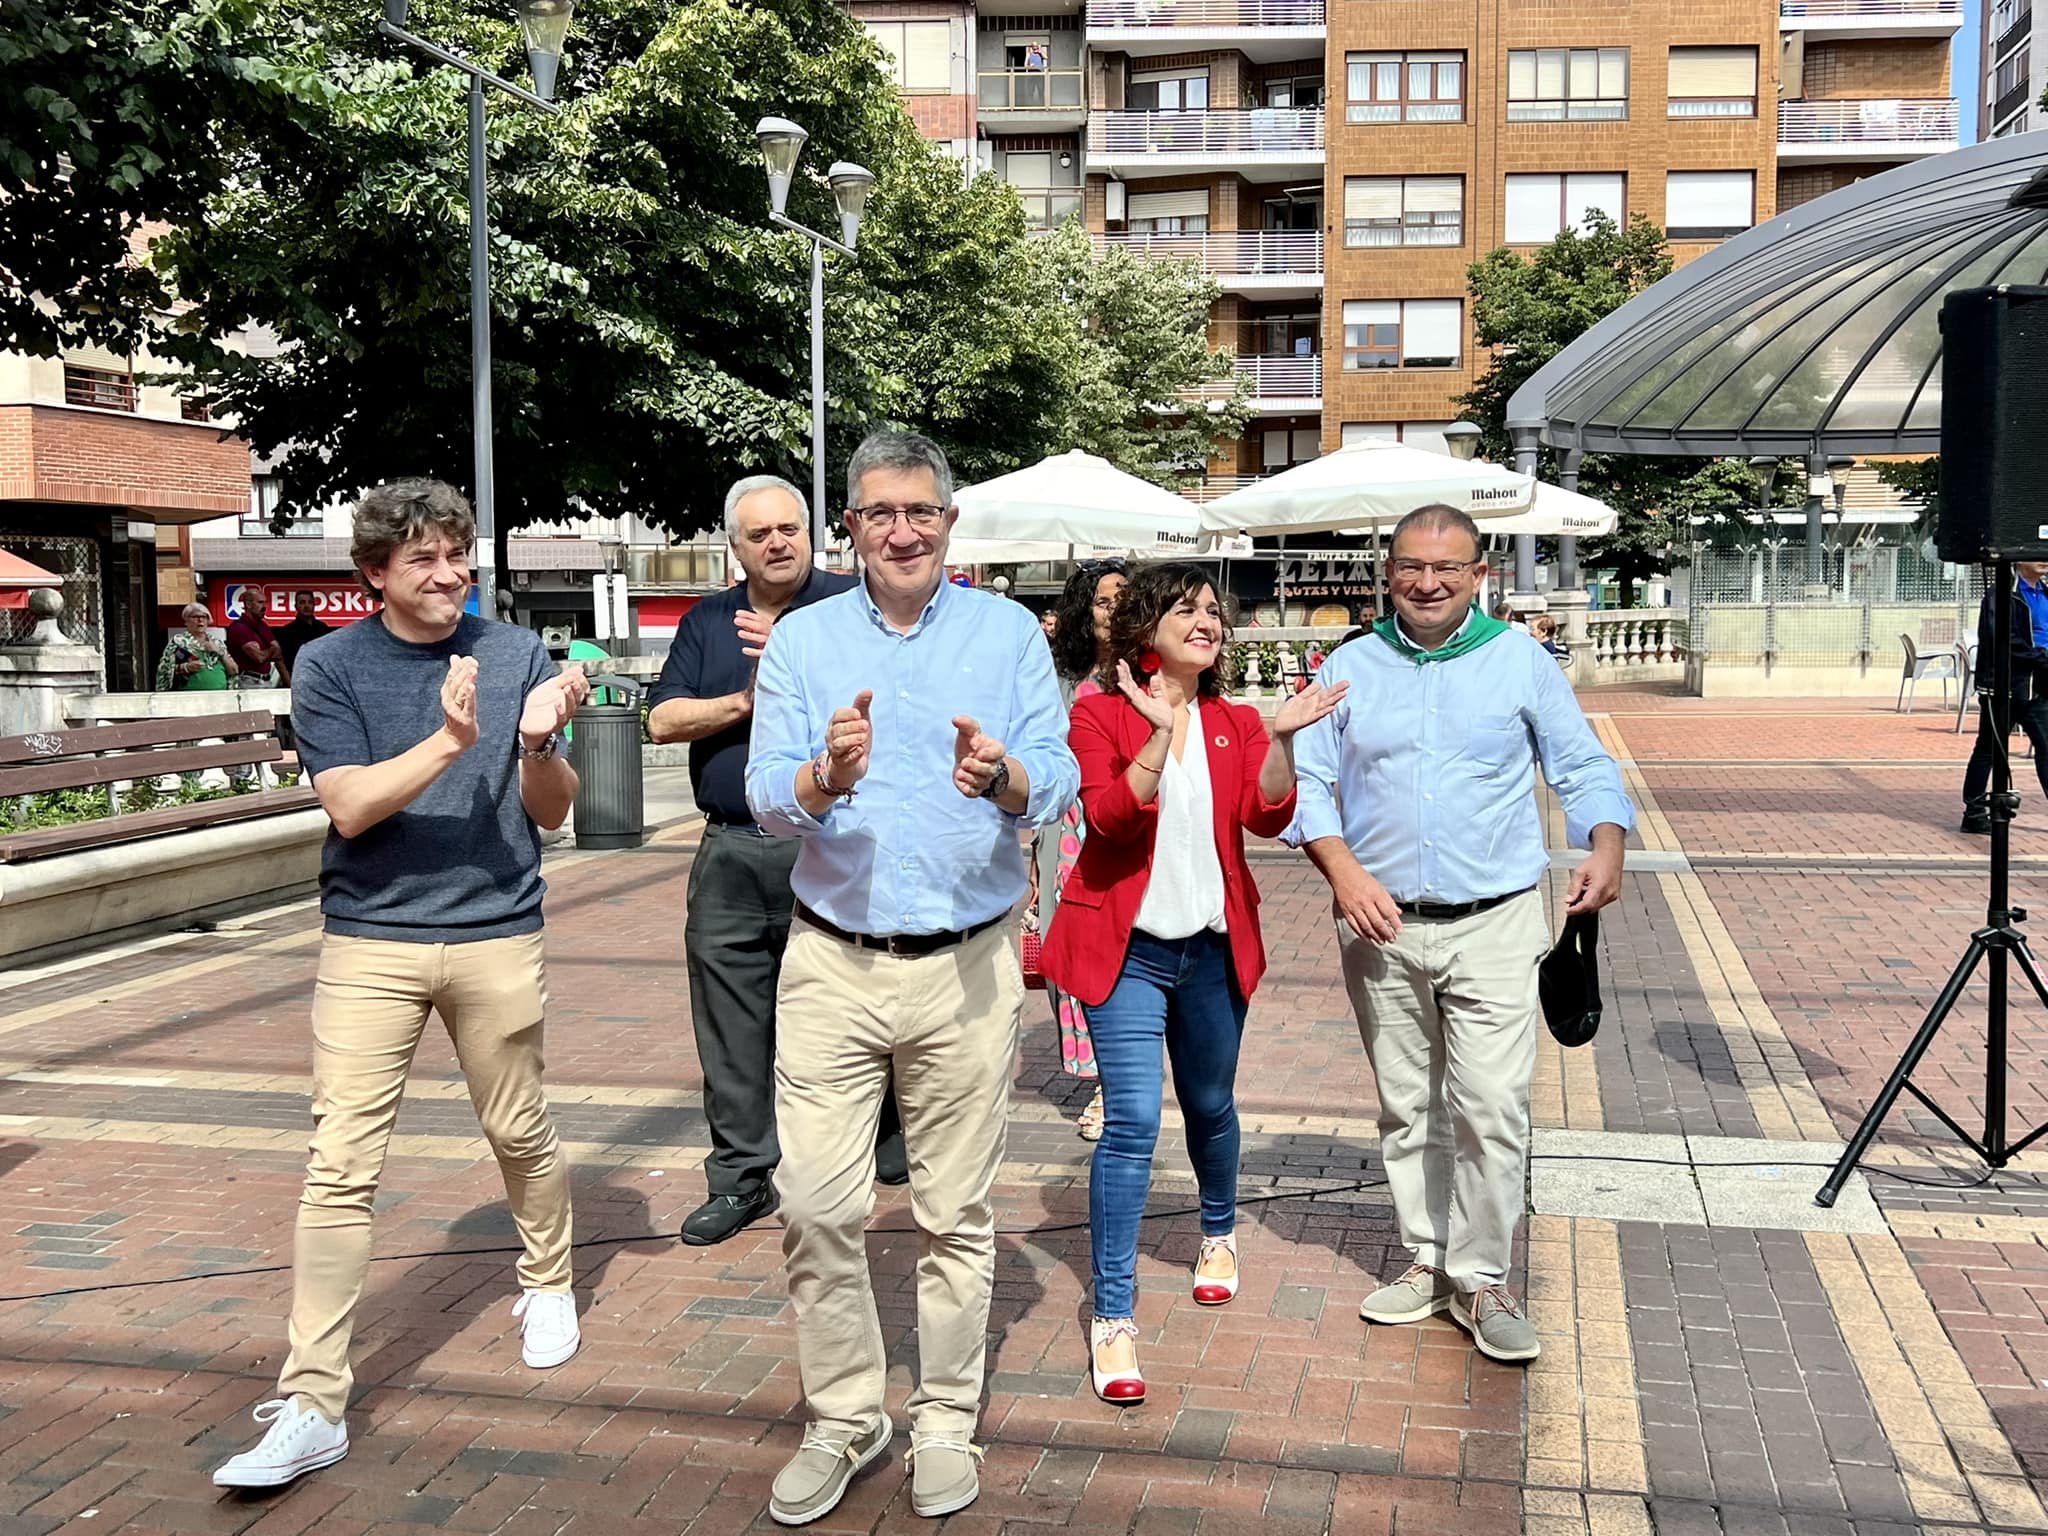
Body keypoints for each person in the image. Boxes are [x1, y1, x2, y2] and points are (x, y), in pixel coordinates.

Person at [213, 479, 590, 1490]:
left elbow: (554, 812)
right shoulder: (332, 664)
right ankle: (312, 1401)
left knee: (519, 1129)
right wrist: (451, 741)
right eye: (423, 557)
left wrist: (539, 742)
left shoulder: (515, 653)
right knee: (339, 1165)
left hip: (496, 929)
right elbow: (349, 809)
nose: (449, 572)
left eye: (458, 553)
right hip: (370, 939)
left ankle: (547, 1279)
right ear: (373, 573)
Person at [745, 430, 1078, 1527]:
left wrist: (1006, 777)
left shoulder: (1006, 634)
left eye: (920, 512)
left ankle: (942, 1414)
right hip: (831, 958)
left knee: (952, 1210)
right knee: (815, 1202)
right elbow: (763, 799)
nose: (900, 531)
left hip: (967, 965)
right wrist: (823, 777)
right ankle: (844, 1417)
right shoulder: (800, 640)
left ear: (948, 520)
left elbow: (1057, 776)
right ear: (849, 523)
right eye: (879, 512)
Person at [1289, 505, 1633, 1366]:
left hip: (1497, 920)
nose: (1428, 582)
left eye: (1449, 567)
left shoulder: (1519, 661)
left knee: (1489, 1107)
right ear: (1388, 571)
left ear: (1481, 575)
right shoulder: (1349, 665)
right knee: (1408, 1106)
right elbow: (1310, 780)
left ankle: (1481, 1277)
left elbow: (1581, 762)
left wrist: (1607, 840)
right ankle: (1426, 1257)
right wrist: (1343, 871)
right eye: (1411, 566)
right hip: (1381, 924)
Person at [1042, 561, 1343, 1405]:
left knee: (1210, 1105)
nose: (1206, 620)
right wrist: (1152, 733)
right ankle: (1113, 1317)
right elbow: (1106, 820)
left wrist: (1281, 739)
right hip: (1126, 951)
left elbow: (1268, 813)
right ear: (1147, 628)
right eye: (1186, 609)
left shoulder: (1235, 720)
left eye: (1215, 610)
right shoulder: (1099, 713)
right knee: (1132, 1122)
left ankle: (1218, 1233)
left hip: (1211, 950)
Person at [648, 475, 906, 1249]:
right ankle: (740, 1175)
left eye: (789, 527)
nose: (777, 542)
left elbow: (892, 703)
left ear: (814, 531)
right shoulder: (707, 622)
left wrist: (800, 675)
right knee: (730, 1019)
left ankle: (885, 1139)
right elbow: (661, 719)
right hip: (731, 847)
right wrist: (745, 701)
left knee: (861, 999)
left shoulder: (850, 607)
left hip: (829, 841)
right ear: (736, 547)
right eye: (759, 533)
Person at [1031, 558, 1127, 1142]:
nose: (1114, 611)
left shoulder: (1149, 673)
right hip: (1064, 832)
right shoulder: (1060, 676)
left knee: (1120, 955)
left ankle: (1111, 1082)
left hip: (1124, 825)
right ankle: (1094, 1070)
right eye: (1102, 601)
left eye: (1124, 600)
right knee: (1063, 956)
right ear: (1081, 612)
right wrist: (1035, 861)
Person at [1961, 561, 2048, 834]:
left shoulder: (2045, 592)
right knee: (1989, 749)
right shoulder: (2001, 593)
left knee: (2046, 747)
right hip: (2006, 686)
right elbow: (2002, 638)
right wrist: (2041, 657)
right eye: (2035, 553)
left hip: (2039, 686)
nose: (2042, 558)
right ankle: (1974, 812)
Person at [156, 603, 237, 692]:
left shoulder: (217, 642)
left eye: (204, 617)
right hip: (188, 696)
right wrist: (186, 667)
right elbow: (163, 672)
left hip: (219, 696)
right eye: (195, 617)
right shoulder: (178, 642)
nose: (200, 620)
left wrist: (219, 651)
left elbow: (234, 670)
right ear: (186, 621)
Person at [227, 584, 284, 690]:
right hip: (249, 680)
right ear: (248, 604)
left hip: (267, 680)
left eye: (265, 602)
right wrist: (272, 648)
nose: (264, 606)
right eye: (260, 602)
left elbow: (278, 654)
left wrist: (266, 652)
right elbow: (259, 658)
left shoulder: (263, 625)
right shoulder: (239, 627)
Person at [276, 591, 333, 684]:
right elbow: (280, 660)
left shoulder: (323, 628)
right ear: (295, 606)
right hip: (297, 679)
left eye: (310, 602)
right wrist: (288, 681)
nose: (306, 606)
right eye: (302, 602)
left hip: (322, 679)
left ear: (314, 605)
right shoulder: (286, 631)